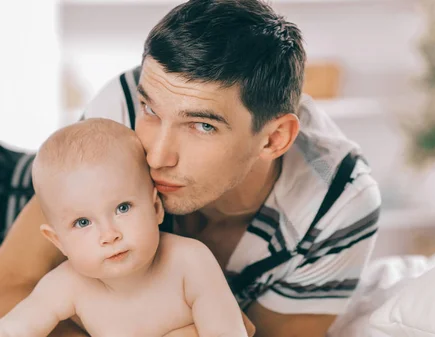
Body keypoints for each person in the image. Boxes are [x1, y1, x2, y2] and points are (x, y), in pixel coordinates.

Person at [0, 0, 381, 336]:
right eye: (151, 110)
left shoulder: (338, 205)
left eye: (202, 126)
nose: (157, 156)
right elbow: (13, 281)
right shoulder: (125, 106)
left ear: (273, 139)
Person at [0, 118, 250, 337]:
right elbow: (15, 329)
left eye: (122, 208)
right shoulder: (66, 286)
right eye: (83, 223)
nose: (110, 235)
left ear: (155, 208)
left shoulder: (190, 262)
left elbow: (227, 331)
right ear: (58, 241)